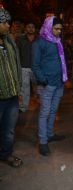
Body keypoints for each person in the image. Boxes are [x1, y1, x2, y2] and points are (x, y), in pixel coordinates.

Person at [32, 16, 67, 156]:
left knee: (53, 111)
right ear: (48, 26)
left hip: (59, 82)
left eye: (60, 29)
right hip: (47, 84)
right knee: (44, 113)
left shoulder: (57, 41)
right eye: (56, 28)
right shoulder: (39, 43)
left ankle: (50, 134)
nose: (58, 32)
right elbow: (35, 65)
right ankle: (42, 141)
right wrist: (43, 80)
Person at [0, 8, 23, 167]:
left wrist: (18, 88)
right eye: (5, 22)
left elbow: (17, 65)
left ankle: (6, 154)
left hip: (12, 96)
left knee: (8, 130)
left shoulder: (9, 41)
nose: (8, 25)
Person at [16, 21, 37, 112]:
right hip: (24, 67)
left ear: (35, 29)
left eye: (32, 27)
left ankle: (44, 105)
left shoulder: (39, 39)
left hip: (37, 67)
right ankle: (23, 107)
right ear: (25, 28)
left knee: (39, 87)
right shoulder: (20, 39)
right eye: (29, 26)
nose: (31, 28)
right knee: (24, 89)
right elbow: (17, 54)